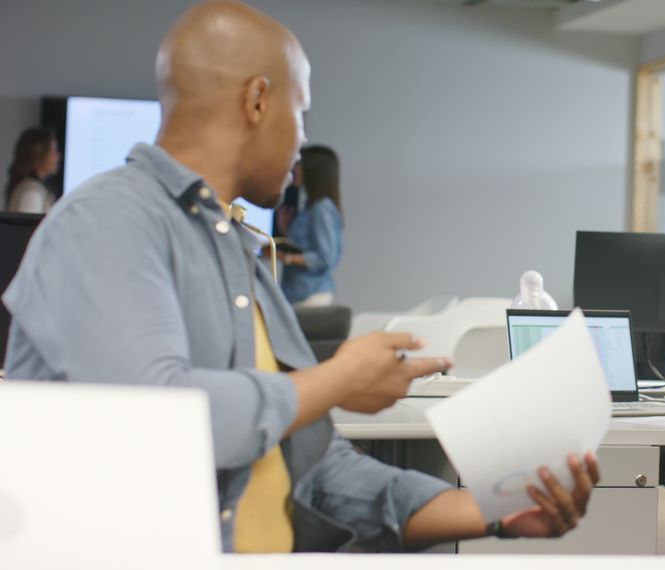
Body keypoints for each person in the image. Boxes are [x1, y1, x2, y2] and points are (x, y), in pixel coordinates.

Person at [3, 0, 598, 554]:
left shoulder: (237, 253)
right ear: (258, 100)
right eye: (302, 111)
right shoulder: (106, 220)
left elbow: (309, 468)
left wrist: (489, 511)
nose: (305, 138)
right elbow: (160, 419)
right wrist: (336, 381)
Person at [278, 145, 343, 307]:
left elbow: (325, 258)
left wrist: (285, 258)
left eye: (299, 165)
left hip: (309, 295)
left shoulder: (322, 208)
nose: (294, 169)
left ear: (313, 169)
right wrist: (287, 232)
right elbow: (308, 246)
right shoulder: (310, 207)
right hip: (298, 293)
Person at [5, 127, 60, 214]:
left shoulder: (33, 189)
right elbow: (28, 227)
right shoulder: (32, 193)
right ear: (38, 154)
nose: (57, 156)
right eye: (53, 150)